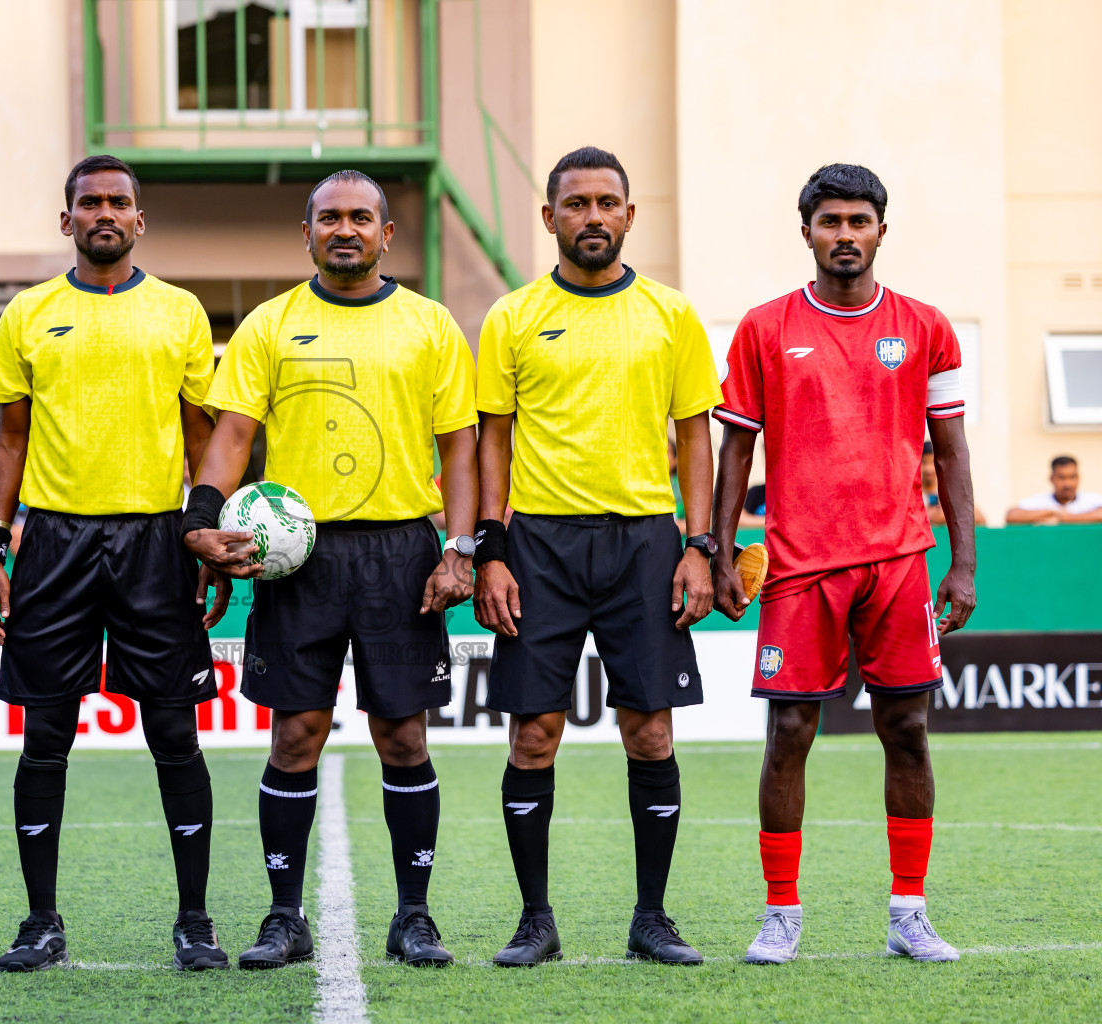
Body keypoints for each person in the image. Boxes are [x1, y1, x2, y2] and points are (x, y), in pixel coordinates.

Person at [185, 169, 478, 969]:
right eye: (328, 218)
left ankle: (414, 916)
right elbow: (234, 432)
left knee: (403, 738)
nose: (343, 229)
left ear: (387, 234)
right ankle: (285, 917)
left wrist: (462, 549)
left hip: (400, 555)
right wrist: (200, 519)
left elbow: (462, 446)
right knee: (295, 738)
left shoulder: (430, 324)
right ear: (305, 232)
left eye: (360, 218)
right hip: (297, 561)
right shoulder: (269, 325)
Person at [711, 163, 976, 965]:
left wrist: (964, 563)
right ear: (808, 233)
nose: (846, 235)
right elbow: (735, 450)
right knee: (789, 730)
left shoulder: (927, 326)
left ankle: (909, 910)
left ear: (881, 231)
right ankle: (781, 913)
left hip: (899, 559)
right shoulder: (763, 327)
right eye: (831, 222)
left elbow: (953, 451)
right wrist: (720, 553)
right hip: (799, 564)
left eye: (860, 221)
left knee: (908, 729)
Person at [0, 155, 228, 973]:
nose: (105, 213)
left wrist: (207, 537)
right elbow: (7, 440)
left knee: (172, 731)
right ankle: (40, 921)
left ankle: (195, 921)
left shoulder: (182, 312)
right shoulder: (28, 312)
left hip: (157, 541)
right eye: (90, 202)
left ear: (140, 219)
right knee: (46, 732)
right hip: (53, 543)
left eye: (120, 201)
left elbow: (202, 443)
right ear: (67, 221)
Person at [473, 146, 720, 968]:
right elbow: (492, 446)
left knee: (649, 733)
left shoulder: (671, 314)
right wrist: (492, 552)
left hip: (646, 543)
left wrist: (698, 544)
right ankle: (534, 921)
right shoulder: (510, 316)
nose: (592, 216)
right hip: (539, 544)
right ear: (549, 218)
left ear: (628, 215)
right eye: (574, 204)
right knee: (533, 735)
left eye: (606, 202)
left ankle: (652, 918)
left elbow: (696, 438)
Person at [1006, 456, 1102, 524]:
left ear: (1078, 478)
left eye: (1072, 477)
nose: (1067, 483)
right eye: (1062, 477)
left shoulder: (1092, 499)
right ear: (1051, 478)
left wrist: (1064, 518)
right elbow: (1012, 516)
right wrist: (1053, 511)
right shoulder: (1039, 500)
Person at [922, 442, 986, 526]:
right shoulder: (912, 493)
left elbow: (980, 518)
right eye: (924, 463)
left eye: (932, 463)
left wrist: (949, 515)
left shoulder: (949, 491)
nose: (928, 469)